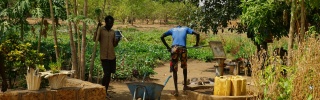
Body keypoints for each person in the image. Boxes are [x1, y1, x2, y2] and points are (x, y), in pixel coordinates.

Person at [160, 25, 200, 96]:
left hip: (174, 49)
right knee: (184, 67)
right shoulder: (186, 28)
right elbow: (197, 33)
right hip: (183, 49)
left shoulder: (172, 29)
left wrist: (168, 47)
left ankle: (176, 90)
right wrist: (196, 44)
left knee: (175, 70)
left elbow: (162, 36)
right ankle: (185, 86)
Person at [93, 15, 120, 98]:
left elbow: (114, 44)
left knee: (109, 74)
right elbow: (95, 39)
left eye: (112, 23)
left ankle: (105, 91)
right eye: (109, 23)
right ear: (106, 22)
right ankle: (102, 90)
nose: (111, 24)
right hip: (104, 56)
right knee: (106, 73)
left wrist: (117, 41)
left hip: (112, 56)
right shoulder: (101, 30)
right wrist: (97, 28)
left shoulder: (112, 32)